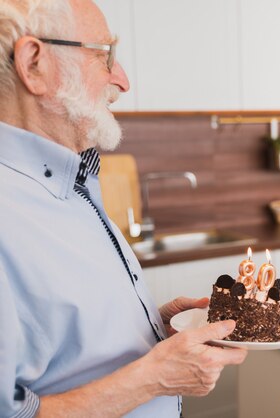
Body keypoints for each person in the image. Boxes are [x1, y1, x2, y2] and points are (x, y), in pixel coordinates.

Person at [0, 1, 247, 417]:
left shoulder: (69, 180)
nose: (123, 80)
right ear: (34, 63)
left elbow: (62, 341)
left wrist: (147, 327)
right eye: (104, 54)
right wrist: (156, 376)